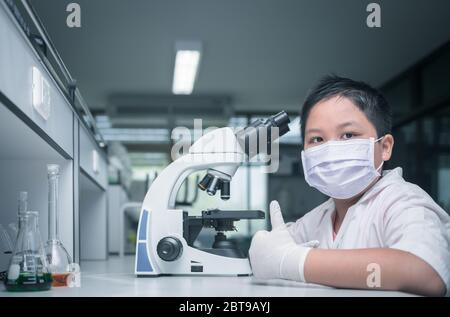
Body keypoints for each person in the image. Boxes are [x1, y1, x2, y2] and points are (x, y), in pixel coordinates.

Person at [249, 75, 450, 296]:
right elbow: (270, 255)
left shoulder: (405, 202)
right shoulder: (317, 219)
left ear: (385, 147)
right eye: (317, 139)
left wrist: (294, 262)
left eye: (348, 135)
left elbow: (424, 273)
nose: (331, 149)